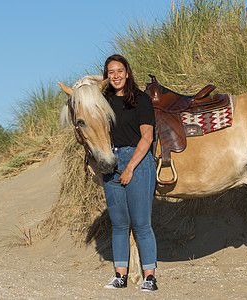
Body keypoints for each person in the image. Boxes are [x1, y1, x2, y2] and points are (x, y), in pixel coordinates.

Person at [101, 54, 158, 292]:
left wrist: (130, 167)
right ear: (107, 76)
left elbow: (147, 137)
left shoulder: (141, 100)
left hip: (139, 160)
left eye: (119, 71)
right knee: (119, 223)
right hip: (111, 161)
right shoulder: (103, 101)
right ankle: (120, 276)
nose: (115, 76)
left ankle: (150, 277)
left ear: (127, 72)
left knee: (142, 223)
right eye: (111, 73)